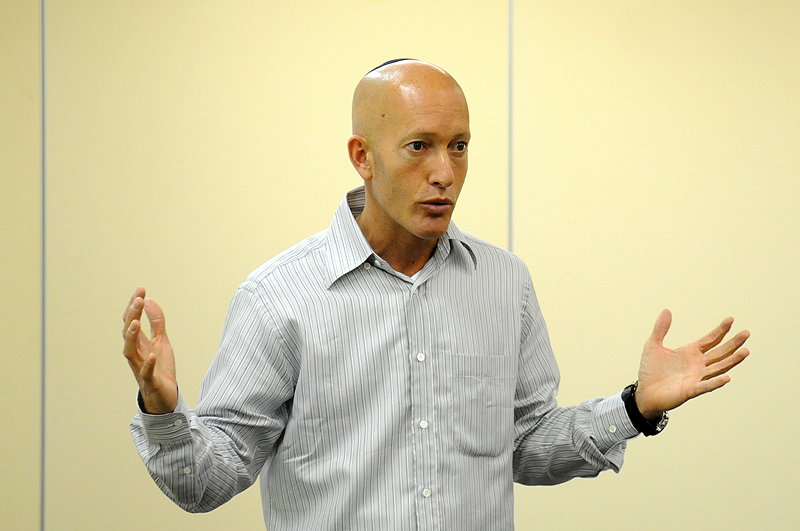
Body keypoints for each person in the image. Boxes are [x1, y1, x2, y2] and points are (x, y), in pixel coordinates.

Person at [122, 59, 750, 530]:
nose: (445, 173)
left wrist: (635, 407)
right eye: (419, 146)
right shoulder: (278, 296)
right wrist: (163, 411)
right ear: (362, 156)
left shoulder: (504, 283)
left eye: (459, 147)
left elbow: (527, 445)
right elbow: (207, 483)